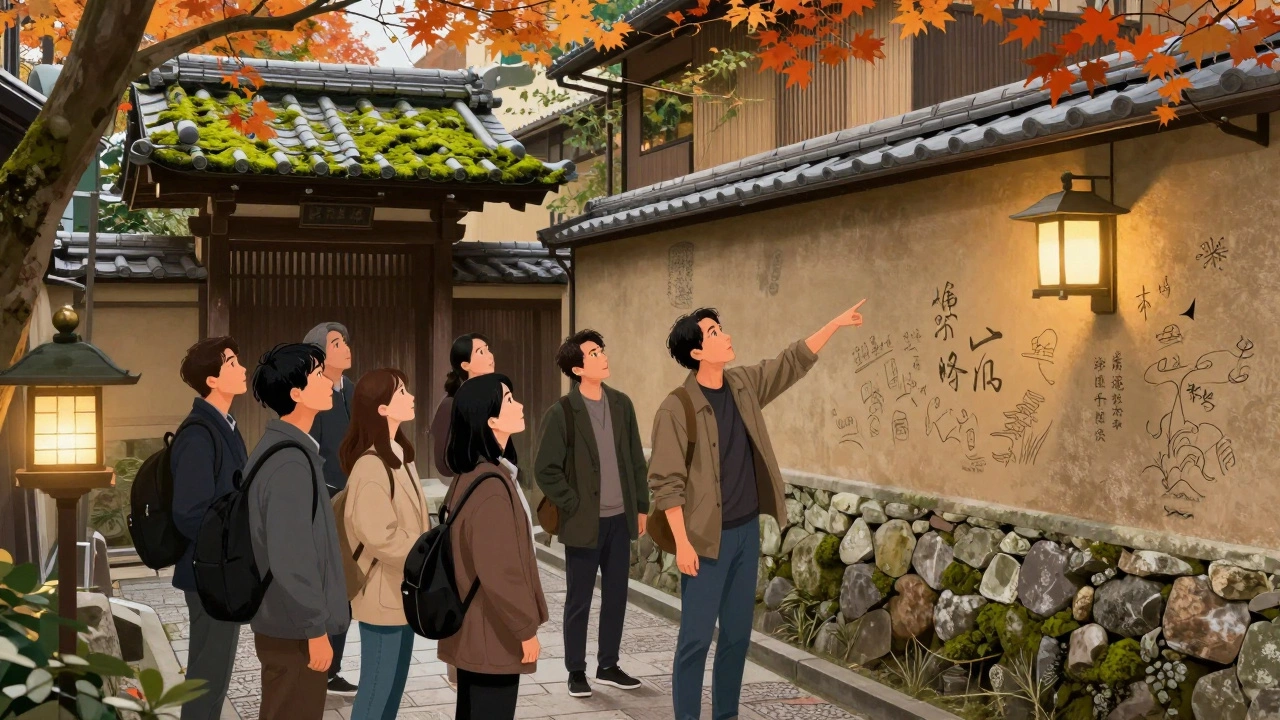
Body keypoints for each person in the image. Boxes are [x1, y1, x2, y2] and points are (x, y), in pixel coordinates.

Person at [648, 301, 867, 720]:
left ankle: (726, 714)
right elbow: (666, 484)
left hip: (746, 533)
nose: (724, 336)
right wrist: (682, 543)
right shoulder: (676, 407)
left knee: (736, 636)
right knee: (695, 640)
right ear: (695, 352)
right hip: (704, 541)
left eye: (720, 329)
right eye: (713, 333)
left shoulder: (744, 385)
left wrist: (833, 324)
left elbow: (789, 363)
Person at [534, 330, 647, 698]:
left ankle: (608, 665)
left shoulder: (622, 404)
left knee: (616, 595)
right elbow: (545, 469)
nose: (603, 357)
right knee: (578, 599)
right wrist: (574, 503)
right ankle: (576, 670)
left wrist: (641, 506)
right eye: (595, 353)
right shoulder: (562, 413)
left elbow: (635, 460)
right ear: (579, 367)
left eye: (602, 351)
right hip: (584, 522)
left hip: (619, 520)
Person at [245, 343, 351, 720]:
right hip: (294, 630)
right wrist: (315, 630)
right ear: (296, 394)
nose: (329, 381)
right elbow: (292, 558)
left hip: (286, 623)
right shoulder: (289, 461)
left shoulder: (288, 449)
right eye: (319, 374)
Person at [438, 373, 547, 720]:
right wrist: (524, 630)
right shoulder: (490, 488)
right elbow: (500, 572)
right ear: (491, 419)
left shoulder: (473, 475)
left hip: (476, 631)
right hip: (492, 635)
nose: (521, 405)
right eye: (510, 400)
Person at [340, 369, 431, 720]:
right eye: (402, 392)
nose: (410, 397)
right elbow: (379, 535)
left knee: (392, 690)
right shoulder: (370, 465)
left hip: (401, 594)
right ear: (381, 409)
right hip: (382, 595)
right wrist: (427, 555)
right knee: (376, 691)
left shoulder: (400, 455)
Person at [171, 337, 249, 720]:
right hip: (209, 571)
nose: (243, 369)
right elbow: (188, 512)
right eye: (233, 364)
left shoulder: (225, 427)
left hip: (223, 570)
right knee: (208, 670)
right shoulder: (199, 434)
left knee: (215, 670)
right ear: (213, 379)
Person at [427, 332, 496, 690]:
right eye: (481, 351)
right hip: (467, 496)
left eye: (488, 349)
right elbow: (442, 460)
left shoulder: (497, 398)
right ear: (464, 364)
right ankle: (458, 666)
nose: (489, 354)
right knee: (465, 583)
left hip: (493, 493)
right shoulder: (452, 404)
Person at [302, 321, 359, 696]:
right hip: (326, 502)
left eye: (345, 340)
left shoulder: (353, 391)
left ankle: (332, 668)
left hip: (357, 500)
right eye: (337, 343)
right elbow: (312, 453)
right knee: (328, 589)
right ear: (321, 353)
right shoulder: (314, 393)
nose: (346, 347)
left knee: (348, 589)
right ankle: (317, 667)